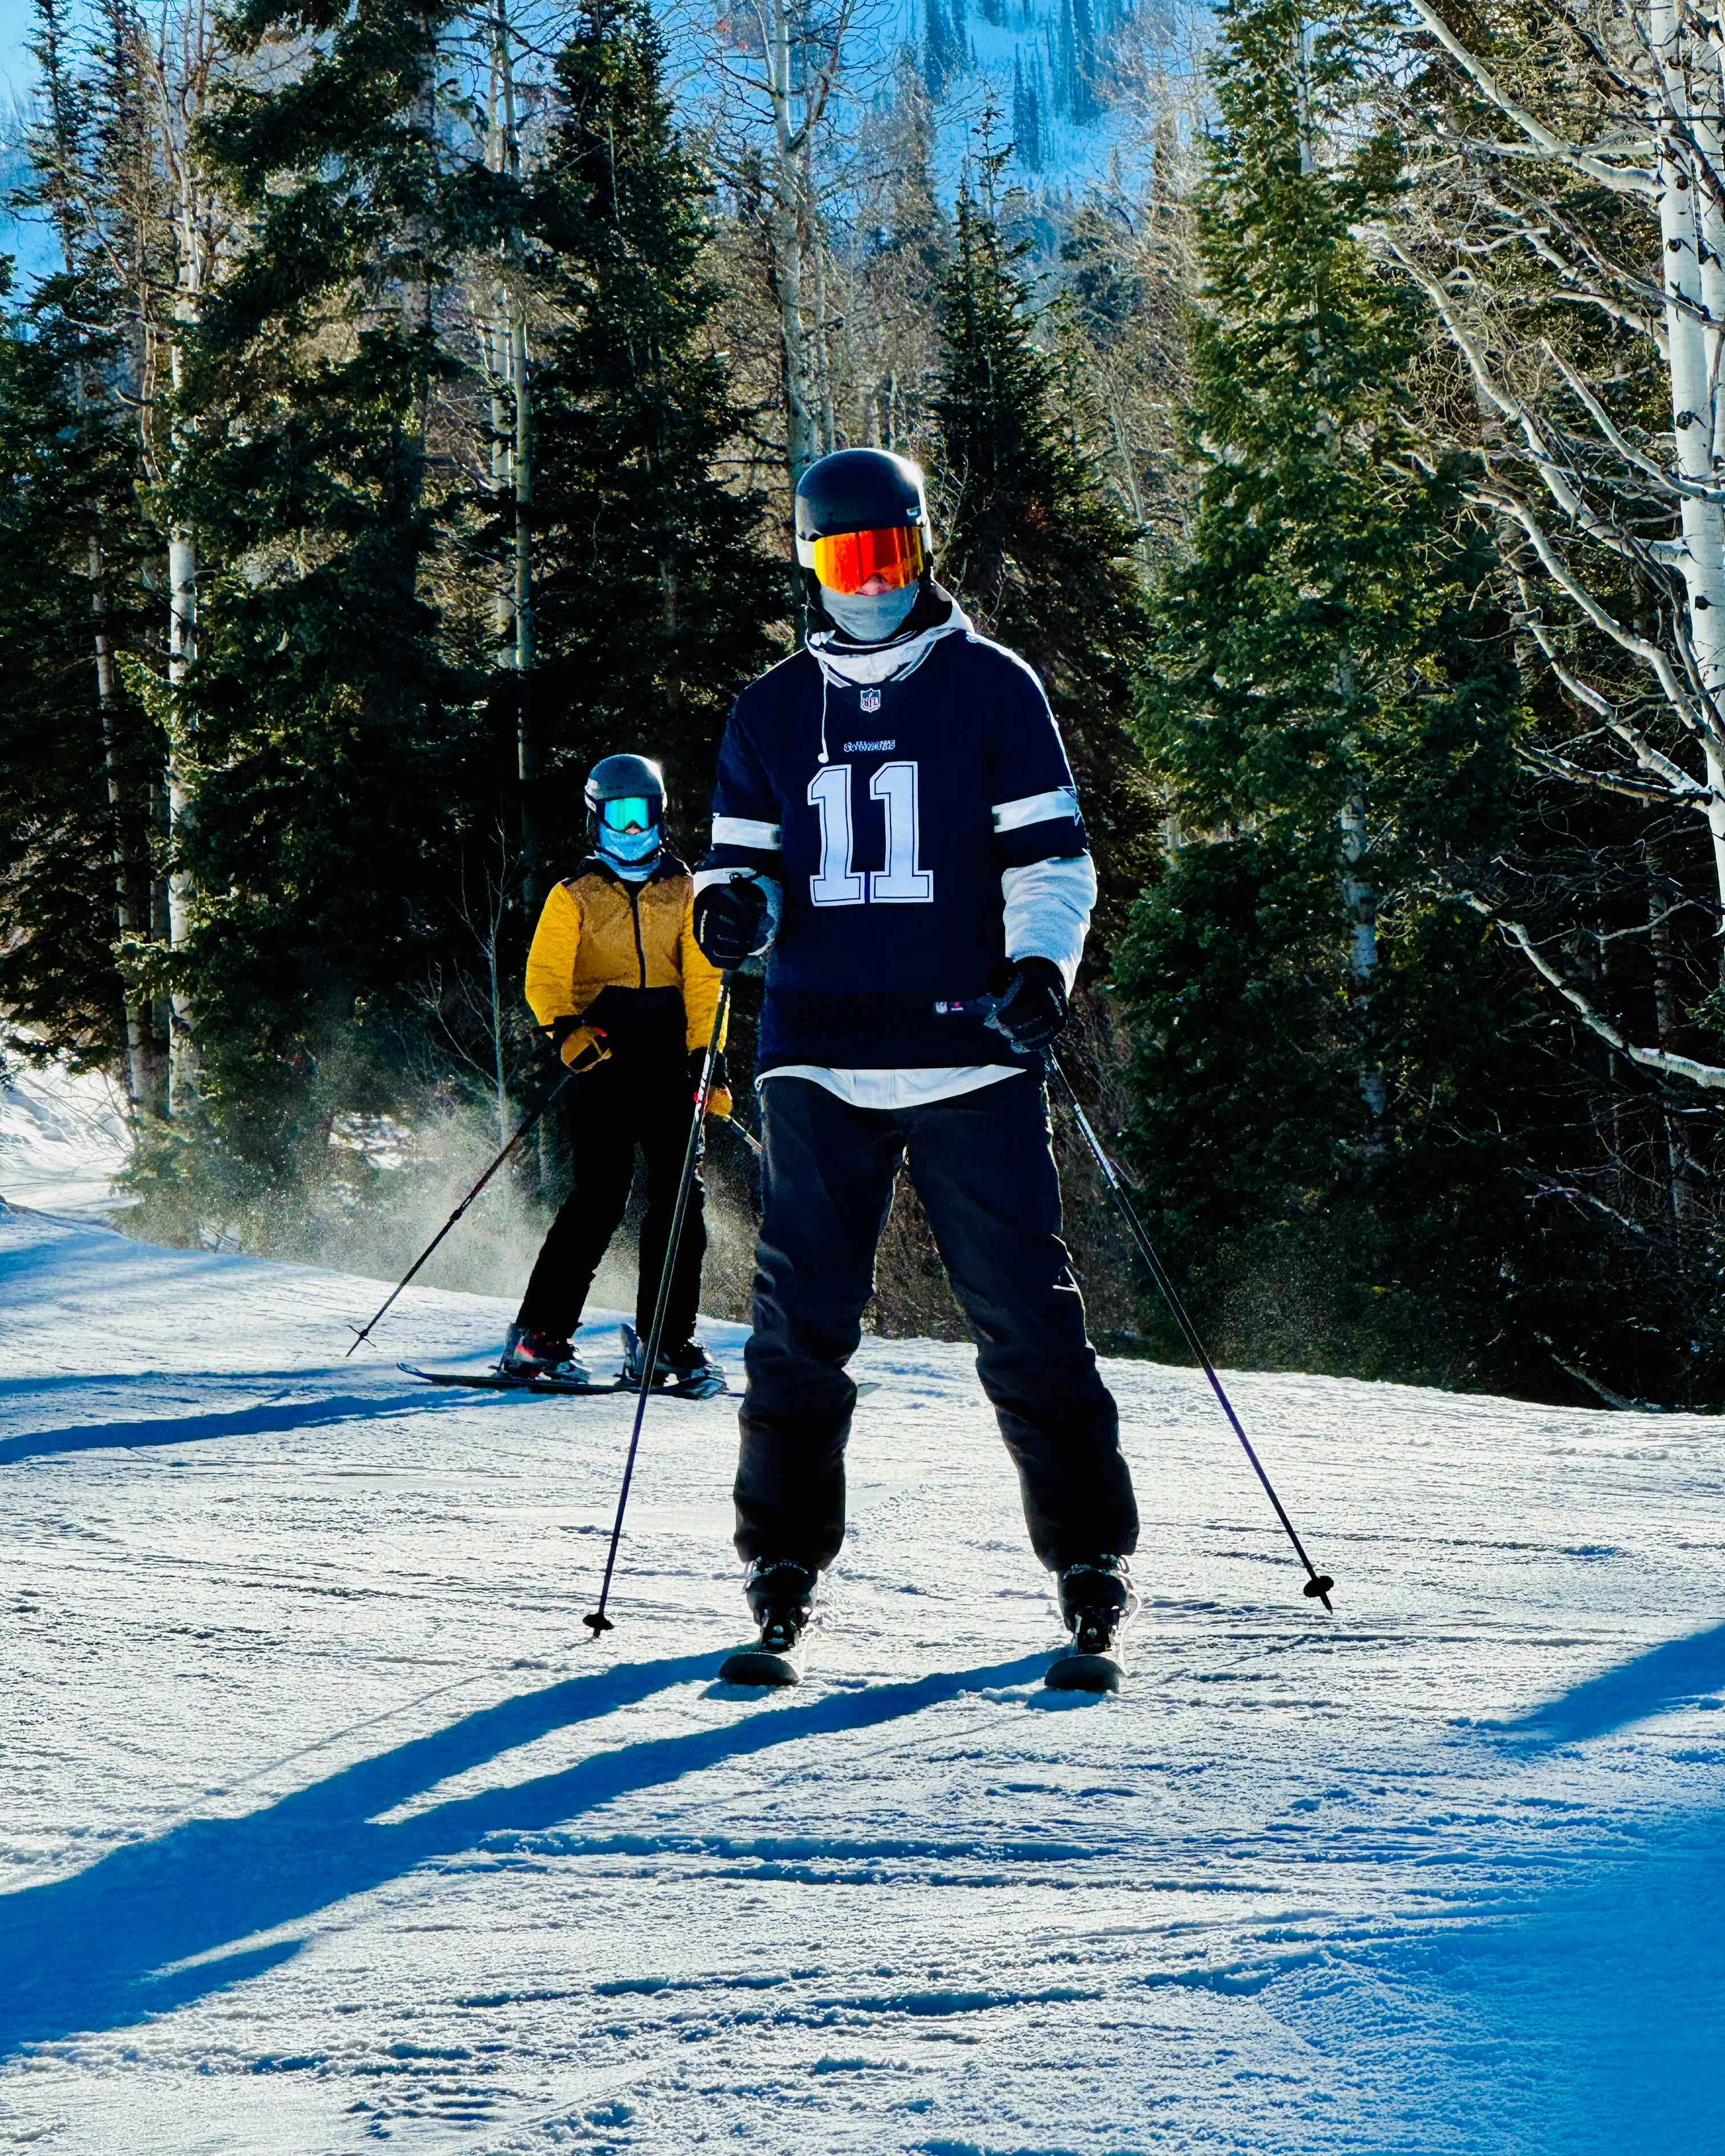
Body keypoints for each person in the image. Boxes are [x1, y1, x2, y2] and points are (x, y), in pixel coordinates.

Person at [692, 447, 1138, 1676]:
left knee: (1027, 1320)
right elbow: (744, 870)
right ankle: (781, 1562)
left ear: (923, 550)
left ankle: (1089, 1559)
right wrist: (732, 912)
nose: (871, 584)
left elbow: (1054, 863)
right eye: (846, 560)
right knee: (798, 1327)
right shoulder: (772, 709)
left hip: (969, 1050)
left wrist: (1040, 968)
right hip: (822, 1052)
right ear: (810, 565)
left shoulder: (992, 688)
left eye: (890, 556)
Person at [503, 753, 728, 1396]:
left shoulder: (685, 891)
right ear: (597, 819)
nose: (634, 831)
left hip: (669, 1064)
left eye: (645, 815)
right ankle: (539, 1335)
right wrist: (566, 1031)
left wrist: (708, 1059)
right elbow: (544, 977)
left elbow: (705, 981)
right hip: (603, 1059)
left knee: (681, 1200)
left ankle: (665, 1343)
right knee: (600, 1197)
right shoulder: (575, 895)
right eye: (621, 817)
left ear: (661, 815)